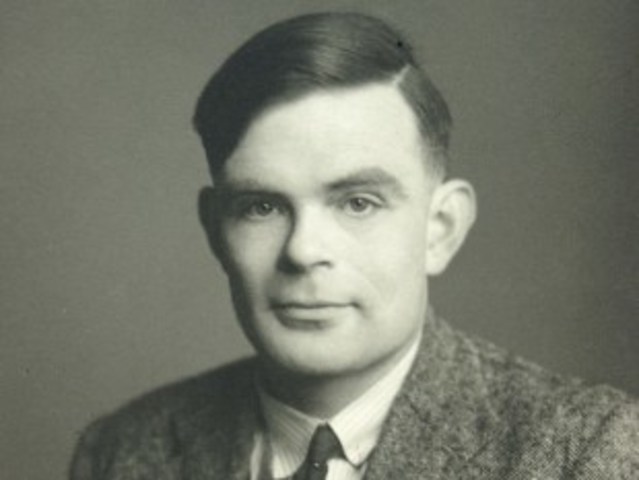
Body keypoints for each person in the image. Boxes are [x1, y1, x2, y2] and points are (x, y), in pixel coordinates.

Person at [70, 12, 638, 480]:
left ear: (440, 229)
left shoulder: (587, 451)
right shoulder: (123, 452)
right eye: (262, 206)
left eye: (358, 202)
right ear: (215, 230)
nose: (304, 251)